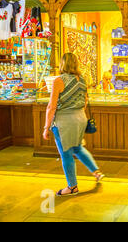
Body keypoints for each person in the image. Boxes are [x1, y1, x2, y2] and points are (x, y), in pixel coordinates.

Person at [43, 53, 104, 196]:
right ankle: (96, 172)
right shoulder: (82, 80)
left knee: (66, 154)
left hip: (65, 121)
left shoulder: (59, 80)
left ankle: (72, 187)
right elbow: (85, 102)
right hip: (80, 118)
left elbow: (51, 106)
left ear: (63, 63)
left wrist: (46, 127)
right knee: (77, 147)